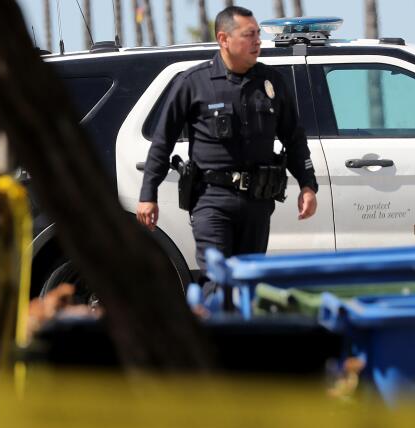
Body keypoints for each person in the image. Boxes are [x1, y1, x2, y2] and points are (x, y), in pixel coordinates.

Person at [136, 5, 318, 275]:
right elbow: (163, 141)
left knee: (248, 283)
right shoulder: (194, 83)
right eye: (248, 35)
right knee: (219, 281)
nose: (257, 41)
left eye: (257, 34)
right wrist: (148, 194)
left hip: (258, 202)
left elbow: (294, 137)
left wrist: (307, 185)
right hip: (212, 201)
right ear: (223, 39)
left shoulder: (271, 82)